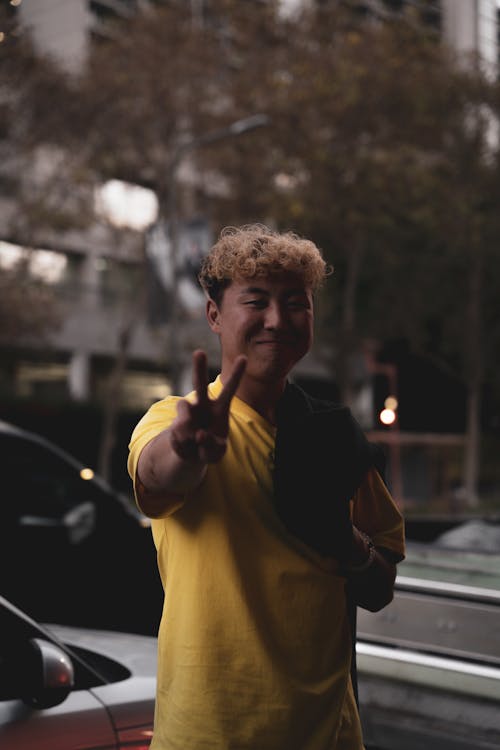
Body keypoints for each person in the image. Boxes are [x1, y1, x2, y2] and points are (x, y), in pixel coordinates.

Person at [127, 223, 405, 750]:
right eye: (256, 302)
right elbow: (158, 475)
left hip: (328, 734)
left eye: (295, 303)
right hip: (208, 734)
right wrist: (189, 449)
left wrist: (344, 541)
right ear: (215, 315)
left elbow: (380, 589)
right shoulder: (171, 421)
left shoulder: (337, 435)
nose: (277, 320)